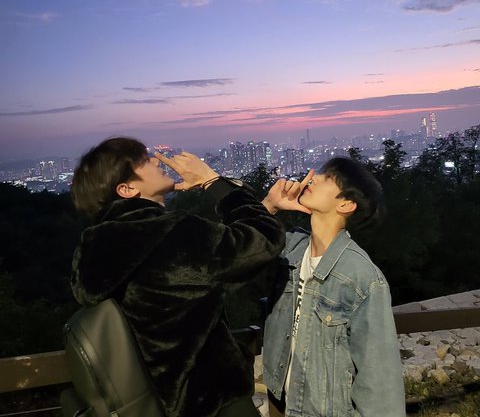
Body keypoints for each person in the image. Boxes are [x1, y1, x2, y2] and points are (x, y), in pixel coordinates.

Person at [70, 136, 286, 417]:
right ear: (127, 188)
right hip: (211, 399)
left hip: (164, 399)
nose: (155, 160)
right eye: (143, 161)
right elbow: (263, 240)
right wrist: (213, 182)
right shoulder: (168, 232)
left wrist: (264, 206)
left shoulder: (97, 245)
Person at [261, 157, 405, 417]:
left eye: (328, 178)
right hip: (284, 403)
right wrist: (270, 205)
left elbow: (379, 377)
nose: (313, 177)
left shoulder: (361, 277)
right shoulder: (292, 249)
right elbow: (233, 250)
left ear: (346, 204)